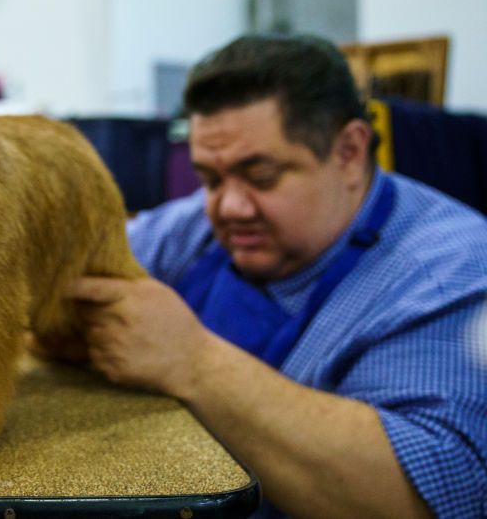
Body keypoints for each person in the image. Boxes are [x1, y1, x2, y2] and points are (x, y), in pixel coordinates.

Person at [68, 35, 487, 519]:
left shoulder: (447, 274)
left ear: (349, 152)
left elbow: (419, 496)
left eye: (262, 175)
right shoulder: (197, 231)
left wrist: (194, 363)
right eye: (210, 179)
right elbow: (81, 261)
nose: (229, 207)